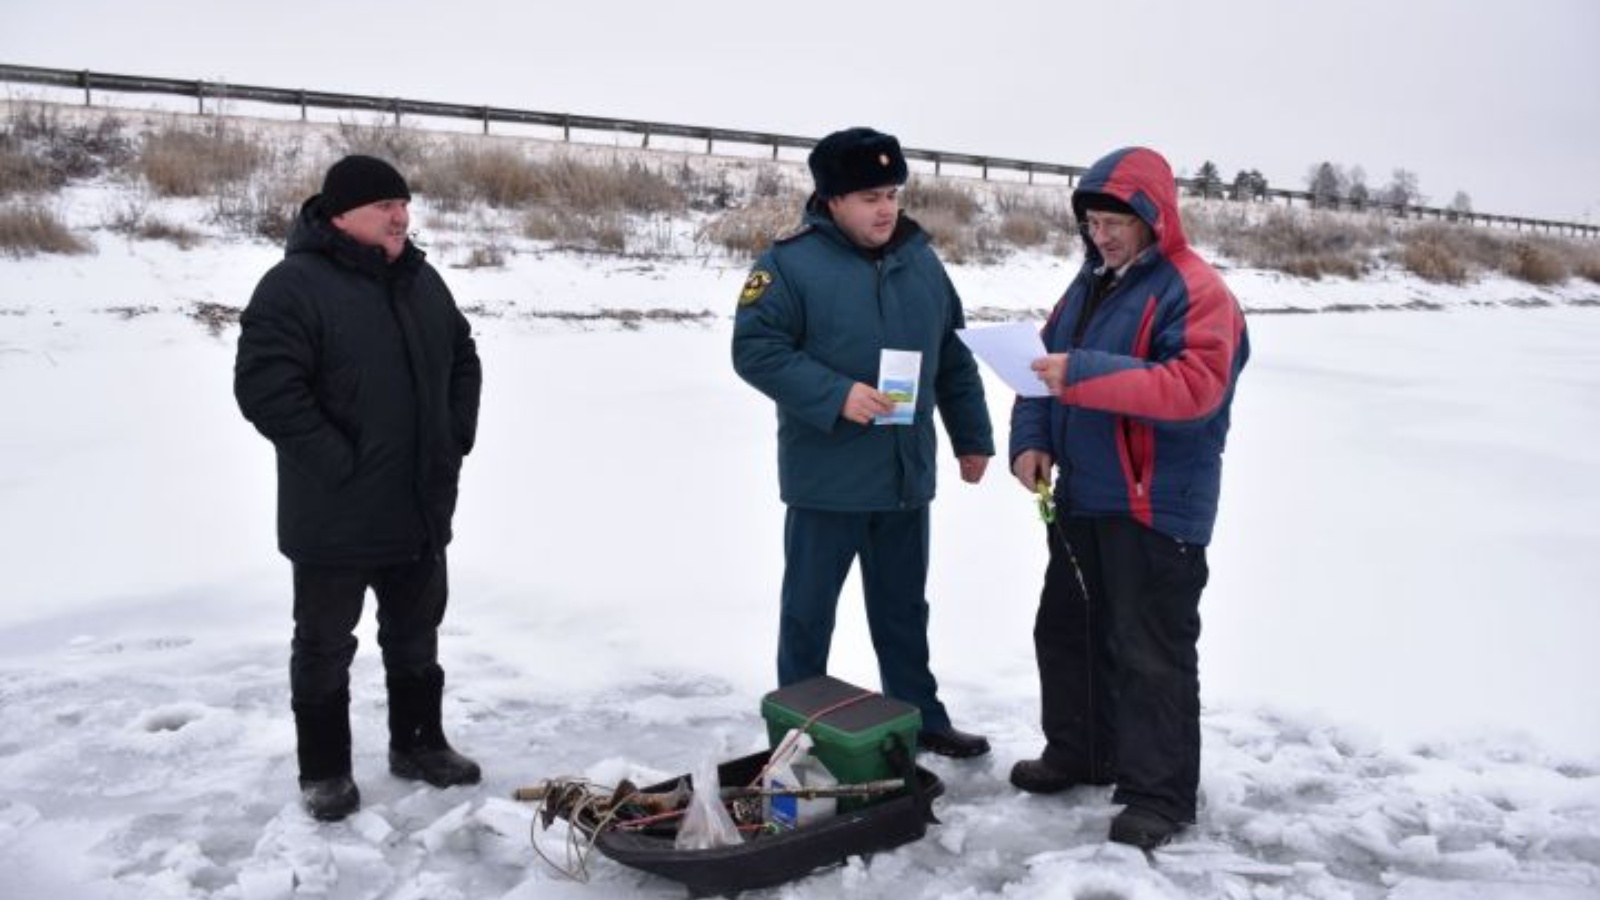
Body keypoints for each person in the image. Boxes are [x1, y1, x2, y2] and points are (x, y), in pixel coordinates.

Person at [1008, 146, 1249, 849]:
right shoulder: (1087, 286)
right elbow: (1037, 373)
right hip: (1084, 498)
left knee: (1151, 652)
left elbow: (1194, 388)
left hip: (1156, 507)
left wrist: (1080, 373)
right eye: (1093, 222)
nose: (1102, 235)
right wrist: (1032, 440)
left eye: (1116, 220)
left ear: (1154, 217)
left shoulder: (1197, 290)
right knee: (1067, 632)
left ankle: (1158, 794)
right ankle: (1082, 752)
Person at [732, 127, 996, 758]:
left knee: (905, 611)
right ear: (830, 200)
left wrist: (973, 436)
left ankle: (920, 716)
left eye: (891, 193)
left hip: (905, 477)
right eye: (868, 197)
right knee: (808, 616)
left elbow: (953, 360)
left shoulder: (922, 262)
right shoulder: (786, 265)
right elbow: (755, 351)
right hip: (829, 479)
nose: (885, 209)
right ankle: (798, 732)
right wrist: (835, 395)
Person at [235, 155, 484, 822]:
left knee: (416, 637)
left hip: (419, 505)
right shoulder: (292, 286)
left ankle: (420, 746)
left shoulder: (420, 280)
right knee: (323, 647)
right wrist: (339, 462)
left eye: (404, 204)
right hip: (334, 514)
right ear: (340, 213)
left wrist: (454, 434)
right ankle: (324, 772)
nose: (401, 216)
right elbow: (265, 389)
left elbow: (463, 355)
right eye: (384, 206)